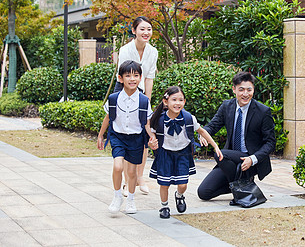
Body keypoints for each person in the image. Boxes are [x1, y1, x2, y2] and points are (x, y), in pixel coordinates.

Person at [197, 72, 276, 204]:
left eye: (249, 90)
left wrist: (253, 159)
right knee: (204, 192)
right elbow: (213, 125)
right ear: (234, 89)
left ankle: (244, 181)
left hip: (251, 160)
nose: (245, 94)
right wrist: (202, 133)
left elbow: (270, 142)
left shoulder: (263, 111)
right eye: (241, 89)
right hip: (231, 161)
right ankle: (243, 184)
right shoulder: (227, 106)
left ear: (253, 90)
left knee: (219, 154)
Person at [149, 86, 223, 219]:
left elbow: (202, 131)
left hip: (183, 153)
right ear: (166, 102)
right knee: (164, 183)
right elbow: (152, 135)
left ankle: (179, 196)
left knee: (182, 184)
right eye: (174, 100)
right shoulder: (159, 120)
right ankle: (164, 206)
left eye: (181, 100)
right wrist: (151, 143)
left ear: (184, 102)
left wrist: (215, 146)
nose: (177, 103)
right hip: (165, 154)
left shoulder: (189, 118)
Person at [97, 60, 157, 214]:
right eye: (128, 75)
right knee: (118, 166)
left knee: (132, 173)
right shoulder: (114, 98)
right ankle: (117, 196)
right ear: (120, 78)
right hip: (118, 136)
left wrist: (152, 137)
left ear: (140, 78)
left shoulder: (144, 100)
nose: (132, 79)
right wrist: (100, 135)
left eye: (136, 75)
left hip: (136, 138)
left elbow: (147, 123)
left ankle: (130, 199)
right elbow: (108, 118)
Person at [115, 16, 158, 196]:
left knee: (143, 137)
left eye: (149, 29)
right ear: (134, 31)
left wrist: (146, 101)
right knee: (128, 136)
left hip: (141, 95)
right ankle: (126, 181)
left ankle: (140, 178)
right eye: (142, 29)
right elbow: (125, 78)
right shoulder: (125, 50)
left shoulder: (153, 51)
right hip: (125, 91)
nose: (146, 32)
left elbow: (149, 78)